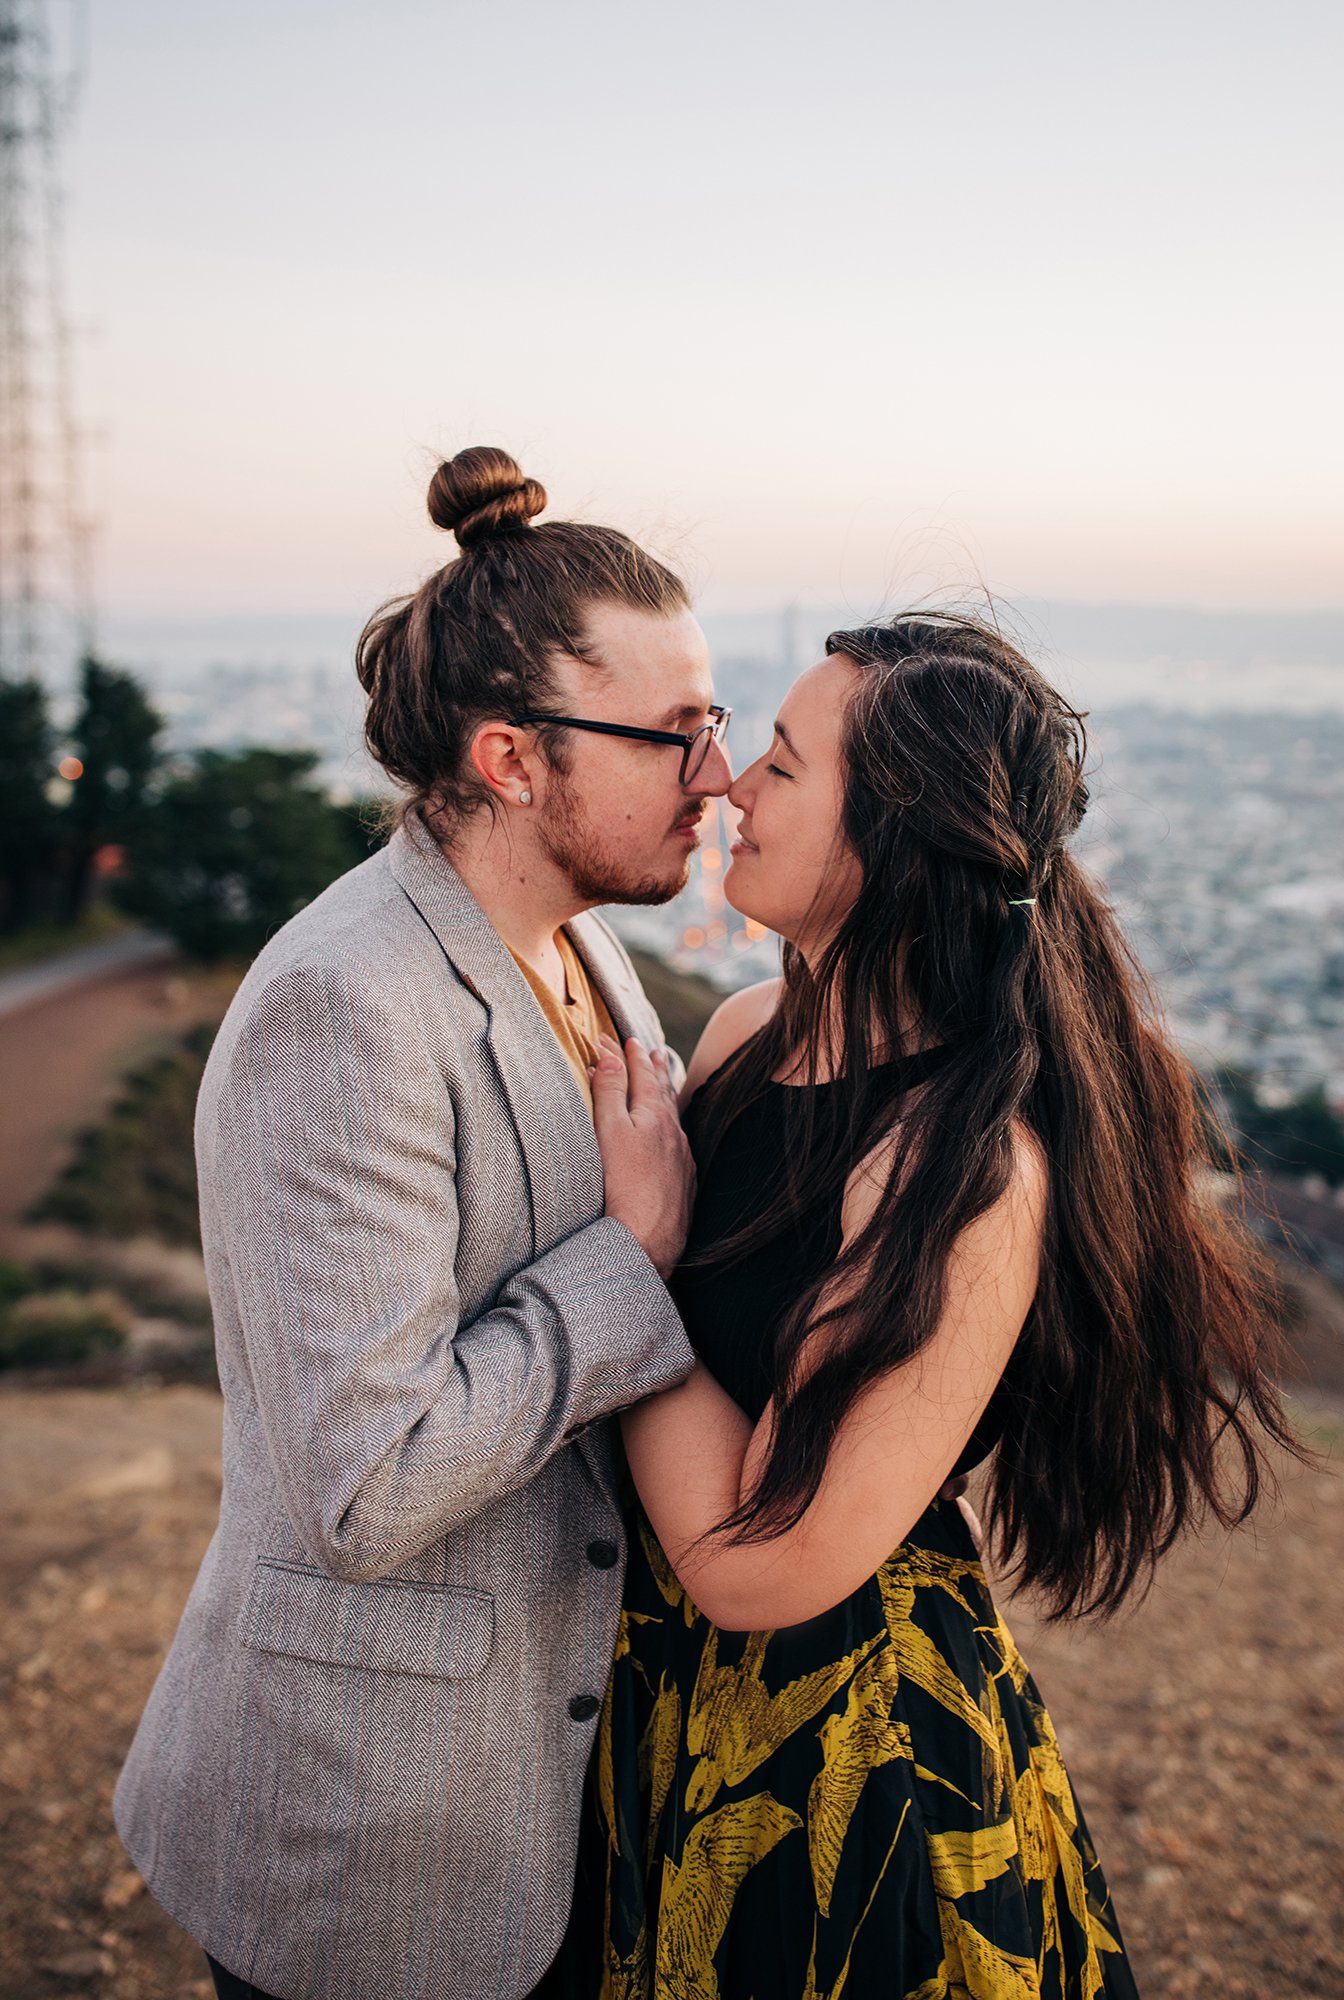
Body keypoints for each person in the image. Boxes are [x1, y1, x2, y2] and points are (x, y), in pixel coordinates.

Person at [549, 614, 1302, 1999]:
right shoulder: (737, 1041)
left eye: (780, 762)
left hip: (836, 1766)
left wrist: (632, 1264)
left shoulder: (953, 1166)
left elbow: (759, 1565)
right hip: (648, 1705)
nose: (728, 787)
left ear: (892, 835)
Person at [113, 446, 725, 2000]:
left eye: (715, 725)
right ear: (514, 758)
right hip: (361, 1833)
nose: (713, 775)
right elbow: (367, 1482)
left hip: (544, 1786)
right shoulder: (346, 1007)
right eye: (673, 734)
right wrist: (628, 1259)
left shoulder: (581, 942)